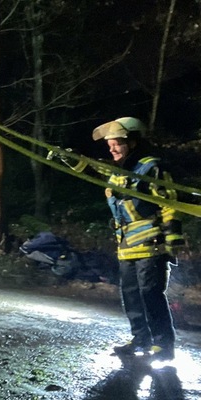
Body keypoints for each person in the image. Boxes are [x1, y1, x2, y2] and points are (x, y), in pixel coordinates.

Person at [91, 117, 184, 361]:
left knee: (150, 294)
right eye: (109, 144)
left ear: (132, 143)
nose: (112, 149)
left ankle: (163, 346)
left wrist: (172, 240)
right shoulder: (118, 171)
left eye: (117, 144)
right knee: (130, 295)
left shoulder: (151, 168)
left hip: (151, 245)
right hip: (126, 245)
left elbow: (168, 204)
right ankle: (140, 339)